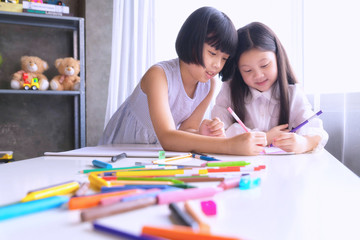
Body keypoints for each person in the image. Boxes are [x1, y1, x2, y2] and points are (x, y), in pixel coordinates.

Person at [99, 7, 267, 155]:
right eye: (212, 53)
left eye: (224, 58)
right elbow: (168, 137)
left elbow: (186, 130)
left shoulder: (208, 85)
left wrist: (202, 132)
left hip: (151, 153)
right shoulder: (158, 75)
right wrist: (228, 145)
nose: (217, 65)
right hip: (116, 150)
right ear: (192, 43)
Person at [212, 22, 328, 153]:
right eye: (248, 70)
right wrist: (265, 138)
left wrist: (303, 143)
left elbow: (318, 132)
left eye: (265, 65)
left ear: (278, 58)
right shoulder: (229, 90)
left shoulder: (292, 93)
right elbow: (219, 132)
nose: (258, 75)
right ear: (238, 70)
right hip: (243, 165)